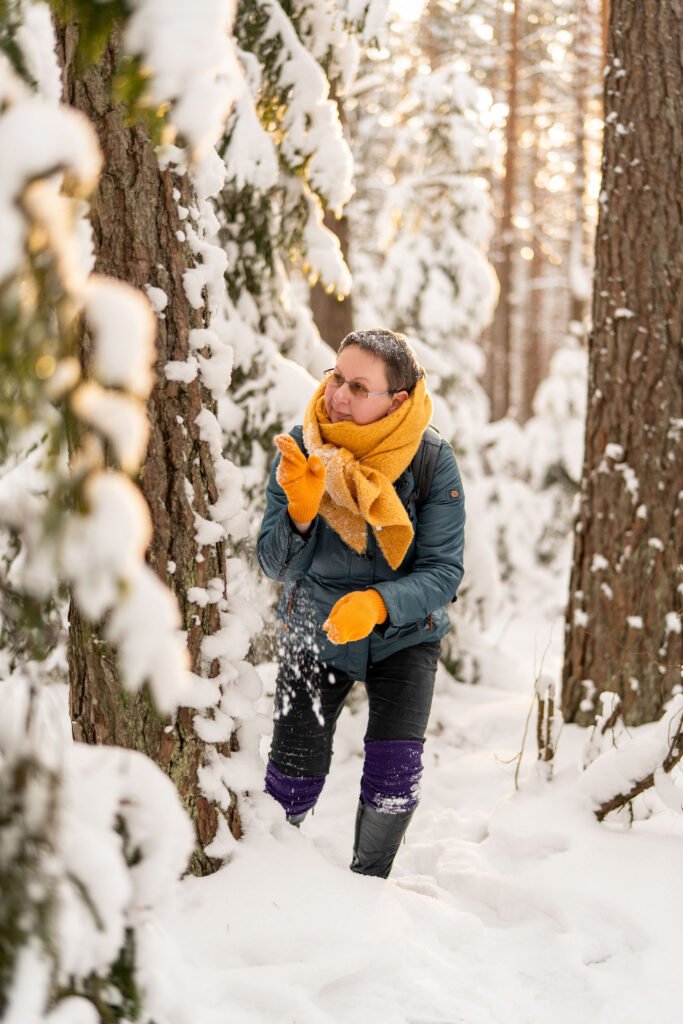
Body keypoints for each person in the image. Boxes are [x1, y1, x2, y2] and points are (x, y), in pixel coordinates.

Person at [257, 329, 465, 878]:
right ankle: (268, 880)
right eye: (335, 376)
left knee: (395, 783)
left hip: (404, 635)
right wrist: (300, 514)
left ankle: (367, 889)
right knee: (292, 773)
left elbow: (444, 572)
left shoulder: (430, 461)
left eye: (358, 385)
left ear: (397, 401)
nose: (337, 395)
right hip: (315, 627)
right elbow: (275, 566)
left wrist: (378, 603)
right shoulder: (301, 449)